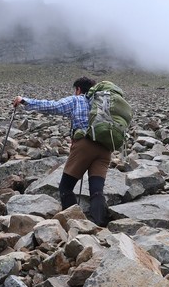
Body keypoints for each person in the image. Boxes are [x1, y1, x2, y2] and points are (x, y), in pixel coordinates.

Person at [12, 76, 111, 226]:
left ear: (78, 89)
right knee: (97, 191)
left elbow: (52, 106)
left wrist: (24, 101)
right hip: (105, 148)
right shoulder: (104, 103)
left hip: (84, 145)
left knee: (66, 187)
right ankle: (100, 226)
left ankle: (73, 223)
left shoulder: (77, 100)